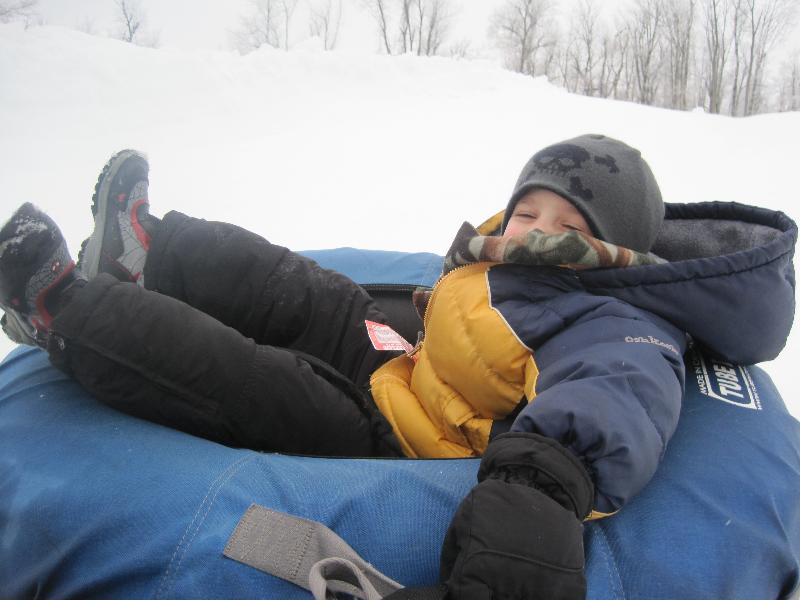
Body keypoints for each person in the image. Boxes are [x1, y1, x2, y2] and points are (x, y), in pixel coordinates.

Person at [0, 134, 795, 600]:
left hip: (404, 438)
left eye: (566, 224)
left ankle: (62, 309)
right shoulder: (514, 262)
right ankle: (148, 252)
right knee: (302, 290)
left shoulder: (617, 324)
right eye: (527, 210)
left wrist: (533, 508)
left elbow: (607, 402)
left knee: (250, 380)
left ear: (615, 250)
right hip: (406, 363)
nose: (531, 231)